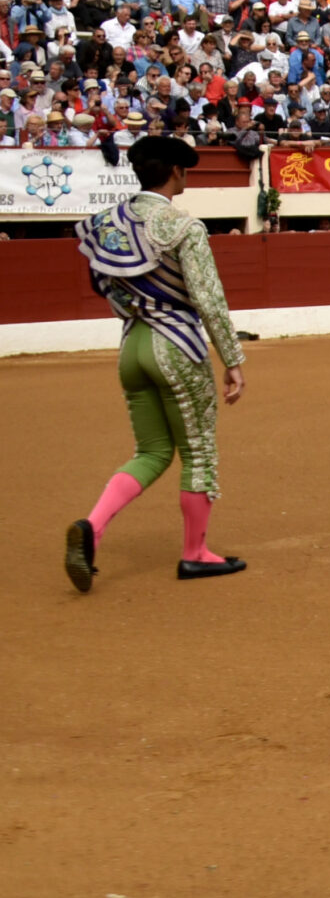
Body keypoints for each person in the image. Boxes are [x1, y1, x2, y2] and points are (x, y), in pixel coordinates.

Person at [63, 135, 249, 590]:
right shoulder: (185, 227)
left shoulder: (106, 223)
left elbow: (102, 285)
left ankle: (92, 527)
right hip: (176, 346)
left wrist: (137, 311)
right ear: (175, 172)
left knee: (151, 452)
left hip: (132, 348)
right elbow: (208, 299)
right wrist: (232, 359)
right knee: (198, 453)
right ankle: (195, 554)